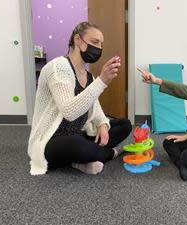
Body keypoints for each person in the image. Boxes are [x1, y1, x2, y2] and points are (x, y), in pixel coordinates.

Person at [28, 21, 132, 175]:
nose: (99, 48)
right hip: (51, 139)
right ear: (78, 40)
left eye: (101, 45)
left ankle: (84, 158)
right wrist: (102, 81)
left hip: (78, 133)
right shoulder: (58, 67)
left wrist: (103, 125)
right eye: (94, 42)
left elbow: (95, 109)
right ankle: (108, 154)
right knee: (78, 145)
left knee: (125, 124)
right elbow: (69, 112)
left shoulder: (89, 75)